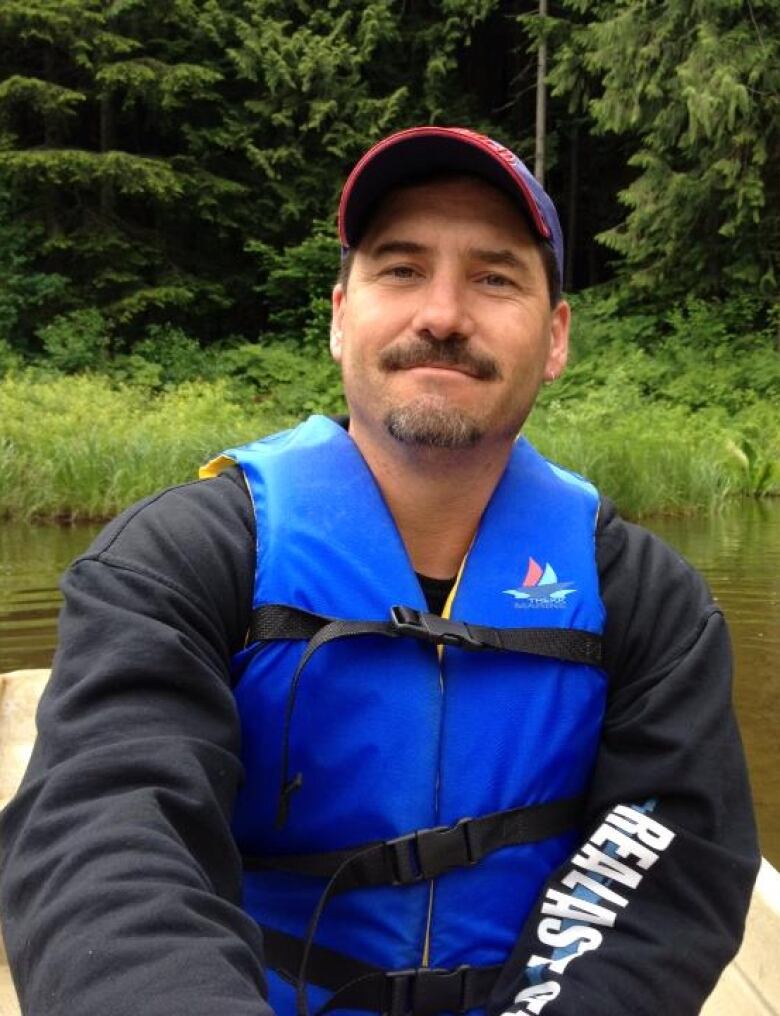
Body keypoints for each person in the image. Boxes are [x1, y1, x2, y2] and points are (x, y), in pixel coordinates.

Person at [0, 126, 760, 1016]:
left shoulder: (649, 601)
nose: (442, 313)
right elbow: (110, 837)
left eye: (494, 277)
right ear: (337, 317)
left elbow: (663, 869)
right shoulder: (177, 561)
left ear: (556, 339)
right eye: (400, 270)